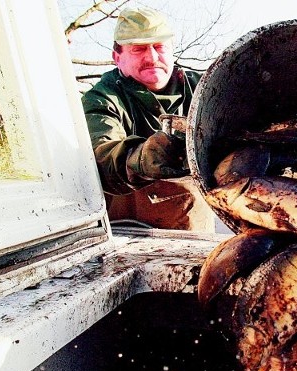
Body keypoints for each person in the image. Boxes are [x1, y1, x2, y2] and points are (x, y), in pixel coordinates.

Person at [82, 6, 214, 231]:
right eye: (138, 49)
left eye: (159, 46)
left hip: (197, 233)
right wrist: (140, 159)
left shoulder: (207, 89)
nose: (152, 57)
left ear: (171, 50)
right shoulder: (102, 99)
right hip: (128, 238)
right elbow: (101, 156)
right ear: (117, 57)